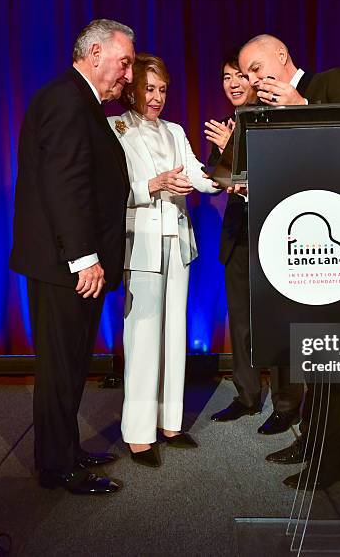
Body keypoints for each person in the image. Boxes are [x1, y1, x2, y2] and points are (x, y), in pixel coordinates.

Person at [10, 19, 135, 494]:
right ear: (95, 51)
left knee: (71, 364)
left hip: (71, 262)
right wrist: (84, 258)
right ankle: (56, 466)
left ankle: (66, 450)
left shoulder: (77, 98)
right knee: (60, 366)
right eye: (124, 62)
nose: (127, 74)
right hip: (65, 265)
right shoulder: (66, 98)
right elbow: (65, 184)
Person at [237, 34, 340, 489]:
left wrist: (300, 104)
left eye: (255, 67)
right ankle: (314, 440)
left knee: (335, 357)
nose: (251, 78)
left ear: (282, 55)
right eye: (246, 72)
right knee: (311, 353)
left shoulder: (331, 83)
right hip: (296, 250)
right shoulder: (265, 116)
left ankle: (334, 458)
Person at [108, 53, 219, 468]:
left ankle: (170, 423)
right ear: (132, 89)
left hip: (177, 239)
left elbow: (197, 175)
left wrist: (230, 179)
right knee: (142, 336)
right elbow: (109, 187)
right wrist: (151, 184)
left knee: (175, 332)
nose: (156, 97)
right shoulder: (114, 128)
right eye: (148, 89)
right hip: (141, 242)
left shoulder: (175, 130)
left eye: (162, 90)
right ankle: (138, 433)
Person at [206, 54, 304, 435]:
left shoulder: (271, 118)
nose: (232, 83)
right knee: (242, 322)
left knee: (277, 323)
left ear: (256, 81)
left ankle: (286, 403)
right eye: (225, 77)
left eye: (239, 76)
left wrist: (234, 150)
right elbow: (220, 174)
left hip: (277, 234)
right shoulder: (229, 124)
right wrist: (221, 167)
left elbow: (281, 174)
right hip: (239, 236)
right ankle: (246, 395)